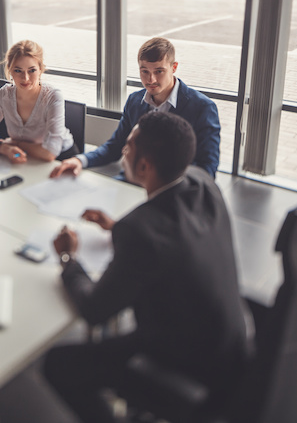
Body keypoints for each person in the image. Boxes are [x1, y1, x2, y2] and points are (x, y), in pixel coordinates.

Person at [43, 112, 250, 423]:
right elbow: (175, 240)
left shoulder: (139, 230)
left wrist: (68, 258)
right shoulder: (202, 182)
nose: (123, 152)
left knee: (57, 364)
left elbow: (94, 310)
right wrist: (116, 228)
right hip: (231, 345)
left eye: (128, 147)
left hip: (185, 362)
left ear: (144, 166)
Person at [50, 36, 220, 180]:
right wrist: (80, 160)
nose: (151, 79)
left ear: (173, 67)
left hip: (174, 190)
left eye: (159, 71)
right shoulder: (135, 100)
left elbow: (207, 168)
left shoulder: (203, 108)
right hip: (131, 181)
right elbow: (115, 146)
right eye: (144, 71)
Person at [0, 40, 76, 162]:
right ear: (10, 70)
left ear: (41, 69)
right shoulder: (5, 94)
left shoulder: (53, 96)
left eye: (32, 70)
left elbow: (50, 153)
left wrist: (17, 144)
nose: (25, 78)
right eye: (18, 70)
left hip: (61, 158)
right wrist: (5, 149)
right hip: (26, 156)